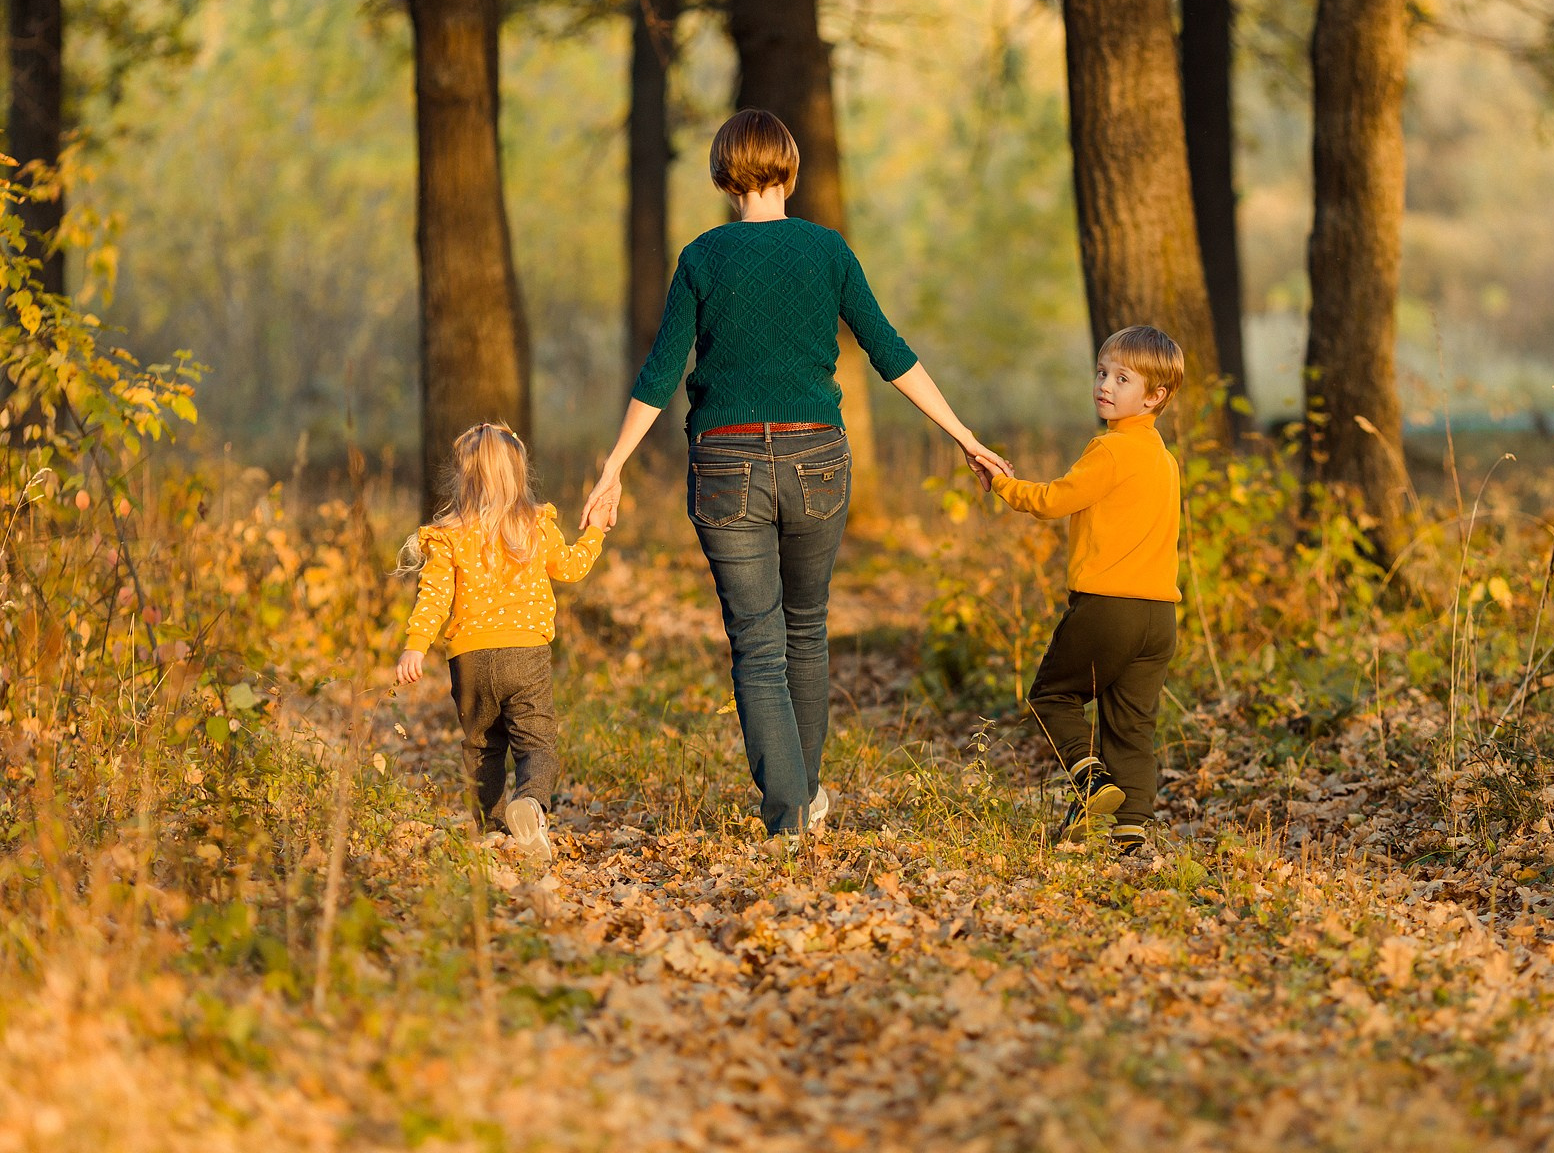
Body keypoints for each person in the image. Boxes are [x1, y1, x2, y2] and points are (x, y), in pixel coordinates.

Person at [580, 109, 1009, 840]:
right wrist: (963, 435)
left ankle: (790, 814)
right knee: (806, 631)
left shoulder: (703, 257)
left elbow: (660, 373)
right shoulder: (826, 250)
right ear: (790, 168)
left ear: (723, 173)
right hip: (817, 460)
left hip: (726, 462)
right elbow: (889, 350)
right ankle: (801, 799)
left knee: (757, 641)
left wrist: (612, 468)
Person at [988, 326, 1183, 855]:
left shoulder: (1112, 449)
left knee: (1053, 695)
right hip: (1160, 616)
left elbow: (1055, 499)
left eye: (1123, 378)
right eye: (1102, 373)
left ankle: (1091, 781)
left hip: (1108, 608)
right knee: (1132, 725)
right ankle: (1132, 836)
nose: (1105, 385)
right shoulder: (1165, 462)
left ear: (1154, 396)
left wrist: (1003, 482)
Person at [396, 423, 607, 862]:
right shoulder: (534, 524)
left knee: (481, 748)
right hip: (526, 654)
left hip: (469, 660)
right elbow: (570, 567)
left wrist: (415, 644)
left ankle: (493, 830)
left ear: (461, 478)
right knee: (537, 745)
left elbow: (433, 597)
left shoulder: (446, 536)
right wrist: (596, 532)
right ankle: (530, 802)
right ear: (518, 474)